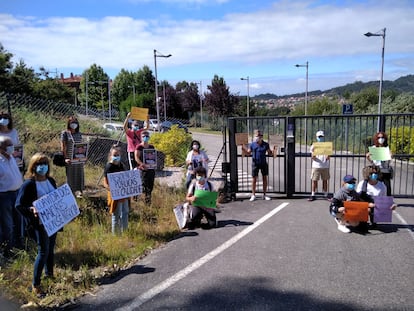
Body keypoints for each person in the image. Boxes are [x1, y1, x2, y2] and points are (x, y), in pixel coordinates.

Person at [15, 153, 58, 298]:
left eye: (45, 163)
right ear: (33, 167)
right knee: (44, 251)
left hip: (53, 221)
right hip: (39, 224)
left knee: (51, 249)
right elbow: (19, 205)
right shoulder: (29, 184)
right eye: (39, 164)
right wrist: (31, 210)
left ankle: (49, 275)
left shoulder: (51, 181)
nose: (43, 166)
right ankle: (36, 284)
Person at [0, 112, 25, 248]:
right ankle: (9, 249)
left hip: (17, 193)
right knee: (7, 224)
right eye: (8, 146)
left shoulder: (12, 159)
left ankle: (19, 245)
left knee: (18, 222)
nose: (12, 148)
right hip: (4, 196)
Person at [103, 145, 130, 235]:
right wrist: (112, 190)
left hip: (124, 194)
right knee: (116, 215)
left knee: (125, 213)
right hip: (115, 195)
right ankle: (116, 236)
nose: (117, 156)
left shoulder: (122, 165)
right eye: (115, 154)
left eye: (118, 154)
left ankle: (125, 233)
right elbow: (105, 183)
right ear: (111, 155)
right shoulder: (108, 166)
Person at [242, 129, 274, 201]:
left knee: (264, 178)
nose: (257, 137)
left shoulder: (266, 144)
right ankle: (253, 195)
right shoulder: (252, 144)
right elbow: (248, 153)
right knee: (254, 179)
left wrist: (274, 149)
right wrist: (243, 148)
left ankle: (265, 195)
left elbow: (269, 153)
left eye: (258, 136)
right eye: (256, 136)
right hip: (255, 164)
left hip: (263, 163)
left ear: (261, 136)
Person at [61, 116, 84, 197]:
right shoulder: (65, 133)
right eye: (72, 122)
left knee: (79, 173)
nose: (74, 124)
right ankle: (71, 192)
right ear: (69, 123)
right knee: (70, 175)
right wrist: (66, 157)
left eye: (75, 122)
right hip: (70, 158)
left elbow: (81, 145)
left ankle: (80, 190)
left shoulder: (79, 134)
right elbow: (63, 147)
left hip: (79, 158)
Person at [366, 132, 392, 196]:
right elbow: (371, 161)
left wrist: (390, 155)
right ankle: (377, 199)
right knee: (377, 185)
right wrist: (368, 157)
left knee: (387, 186)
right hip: (377, 170)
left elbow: (389, 159)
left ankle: (388, 200)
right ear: (376, 139)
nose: (381, 139)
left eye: (382, 137)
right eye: (379, 137)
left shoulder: (386, 148)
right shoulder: (374, 148)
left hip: (385, 170)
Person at [135, 130, 156, 204]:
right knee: (142, 185)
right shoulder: (139, 147)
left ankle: (148, 202)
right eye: (144, 136)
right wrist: (141, 164)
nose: (145, 138)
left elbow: (153, 157)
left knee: (150, 186)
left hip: (151, 169)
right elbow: (136, 157)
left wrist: (153, 164)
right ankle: (136, 199)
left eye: (147, 136)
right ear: (141, 137)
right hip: (142, 169)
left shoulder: (151, 147)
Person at [308, 130, 330, 201]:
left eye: (322, 136)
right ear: (317, 137)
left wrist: (328, 156)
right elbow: (312, 156)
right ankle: (313, 194)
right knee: (314, 180)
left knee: (325, 180)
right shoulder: (313, 146)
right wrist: (313, 155)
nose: (321, 138)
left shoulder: (326, 145)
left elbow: (328, 156)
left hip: (325, 165)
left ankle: (325, 194)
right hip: (316, 165)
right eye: (319, 137)